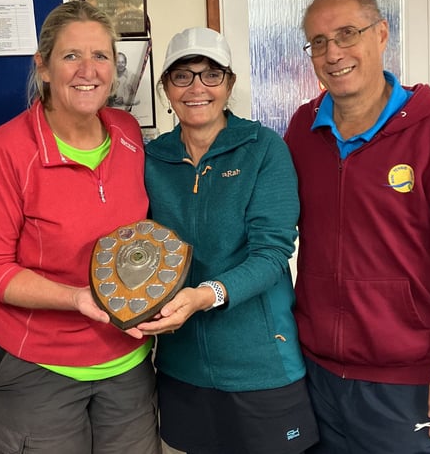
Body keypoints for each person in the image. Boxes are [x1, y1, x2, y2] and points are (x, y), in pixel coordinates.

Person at [0, 0, 161, 454]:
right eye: (71, 56)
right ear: (44, 67)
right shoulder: (5, 153)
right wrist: (76, 299)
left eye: (101, 56)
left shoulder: (128, 133)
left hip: (127, 364)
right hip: (37, 368)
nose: (87, 70)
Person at [284, 0, 430, 453]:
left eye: (347, 34)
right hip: (315, 374)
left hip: (403, 382)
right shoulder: (302, 130)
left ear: (381, 35)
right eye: (318, 41)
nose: (333, 53)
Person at [133, 27, 319, 454]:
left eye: (211, 74)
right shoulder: (152, 159)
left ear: (229, 83)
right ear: (165, 88)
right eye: (182, 76)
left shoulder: (263, 149)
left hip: (260, 365)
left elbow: (272, 254)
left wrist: (206, 295)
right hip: (181, 365)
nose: (197, 87)